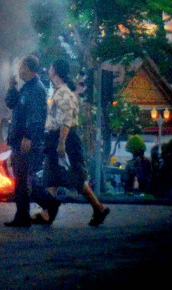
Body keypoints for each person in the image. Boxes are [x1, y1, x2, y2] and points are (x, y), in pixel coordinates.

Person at [34, 58, 109, 227]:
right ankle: (47, 213)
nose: (48, 69)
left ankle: (98, 207)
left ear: (56, 71)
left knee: (74, 177)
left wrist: (61, 143)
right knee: (50, 177)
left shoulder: (65, 93)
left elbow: (66, 121)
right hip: (54, 138)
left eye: (51, 67)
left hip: (65, 139)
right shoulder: (57, 91)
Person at [4, 54, 60, 228]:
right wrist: (12, 87)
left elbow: (36, 117)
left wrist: (28, 136)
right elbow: (11, 104)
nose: (19, 70)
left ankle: (34, 211)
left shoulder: (36, 89)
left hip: (27, 141)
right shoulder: (26, 88)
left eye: (21, 66)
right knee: (22, 179)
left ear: (27, 68)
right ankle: (28, 213)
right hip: (18, 140)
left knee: (23, 180)